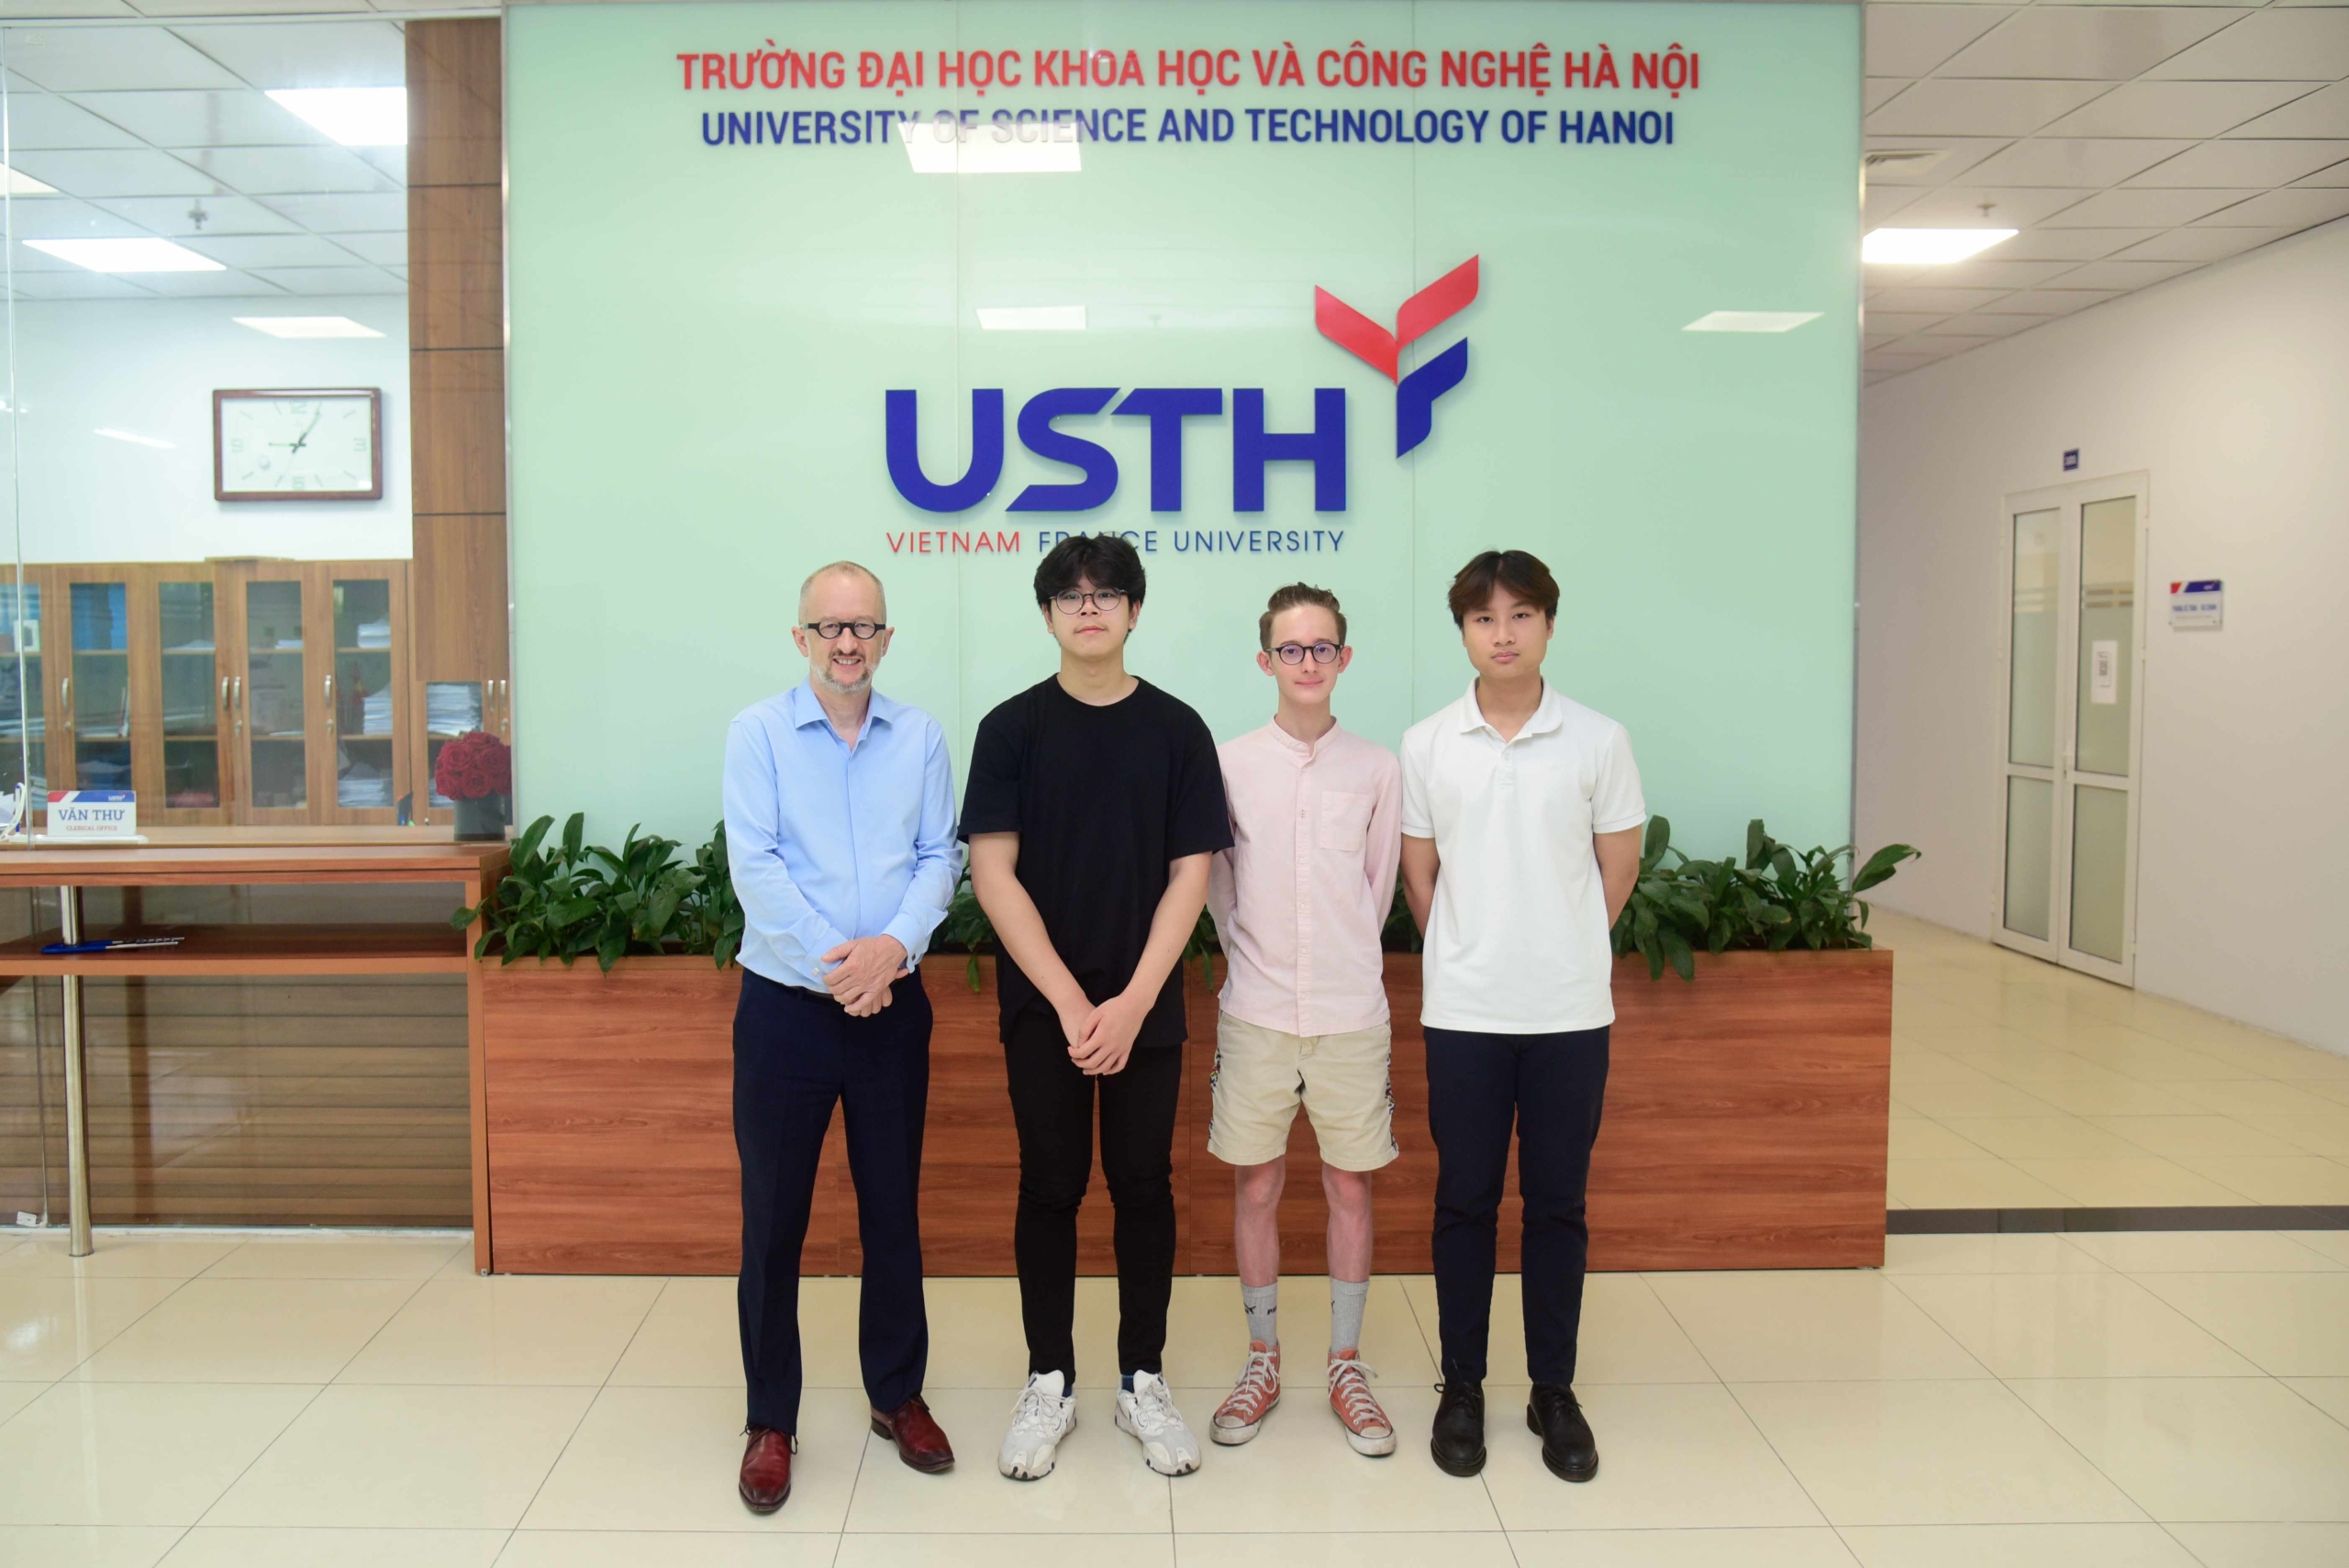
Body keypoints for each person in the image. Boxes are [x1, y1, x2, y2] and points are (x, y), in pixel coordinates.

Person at [963, 533, 1231, 1481]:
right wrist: (1078, 1003)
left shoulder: (1178, 729)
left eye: (1107, 592)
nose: (1089, 607)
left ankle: (1141, 1379)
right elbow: (993, 873)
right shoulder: (1011, 728)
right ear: (1047, 614)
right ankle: (1049, 1379)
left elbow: (1191, 875)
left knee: (1143, 1184)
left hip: (1144, 1005)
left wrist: (1130, 1004)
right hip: (1047, 1007)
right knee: (1049, 1185)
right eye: (1071, 595)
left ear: (1134, 610)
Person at [1398, 549, 1645, 1485]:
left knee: (1557, 1203)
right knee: (1463, 1199)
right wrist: (1471, 950)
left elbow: (1617, 868)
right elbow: (1420, 874)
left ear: (1547, 623)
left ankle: (1553, 1389)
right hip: (1463, 1010)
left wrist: (1559, 945)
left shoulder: (1598, 739)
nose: (1502, 634)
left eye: (1520, 615)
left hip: (1568, 1012)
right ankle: (1462, 1385)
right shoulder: (1428, 742)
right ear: (1463, 630)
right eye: (1483, 618)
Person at [721, 561, 960, 1513]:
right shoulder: (758, 734)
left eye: (864, 627)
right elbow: (756, 866)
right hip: (787, 1010)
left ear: (886, 639)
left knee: (891, 1208)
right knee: (773, 1218)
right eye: (830, 626)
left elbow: (940, 855)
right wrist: (843, 964)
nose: (847, 642)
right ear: (801, 638)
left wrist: (891, 950)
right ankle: (770, 1418)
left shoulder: (921, 736)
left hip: (893, 1005)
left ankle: (896, 1394)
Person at [1204, 584, 1403, 1458]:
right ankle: (1263, 1358)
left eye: (1323, 647)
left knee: (1350, 1186)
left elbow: (1378, 889)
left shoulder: (1378, 768)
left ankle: (1345, 1364)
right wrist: (1259, 962)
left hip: (1351, 1013)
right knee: (1256, 1184)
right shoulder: (1229, 764)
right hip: (1256, 1009)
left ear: (1344, 658)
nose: (1308, 662)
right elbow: (1219, 889)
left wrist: (1337, 966)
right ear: (1266, 661)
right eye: (1292, 649)